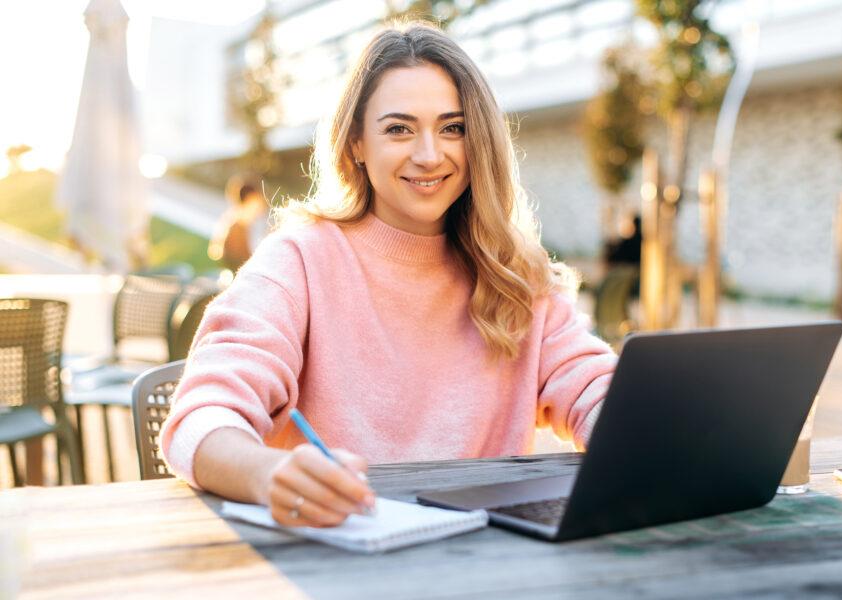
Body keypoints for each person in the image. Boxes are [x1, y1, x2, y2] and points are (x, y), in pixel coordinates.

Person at [160, 22, 617, 529]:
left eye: (453, 128)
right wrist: (269, 473)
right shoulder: (298, 259)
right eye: (399, 128)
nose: (429, 154)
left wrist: (639, 434)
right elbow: (202, 415)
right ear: (356, 143)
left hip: (487, 562)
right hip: (339, 554)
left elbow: (597, 391)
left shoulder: (514, 274)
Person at [207, 176, 270, 272]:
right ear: (250, 200)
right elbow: (247, 261)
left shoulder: (242, 221)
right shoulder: (238, 226)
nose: (262, 203)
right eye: (259, 199)